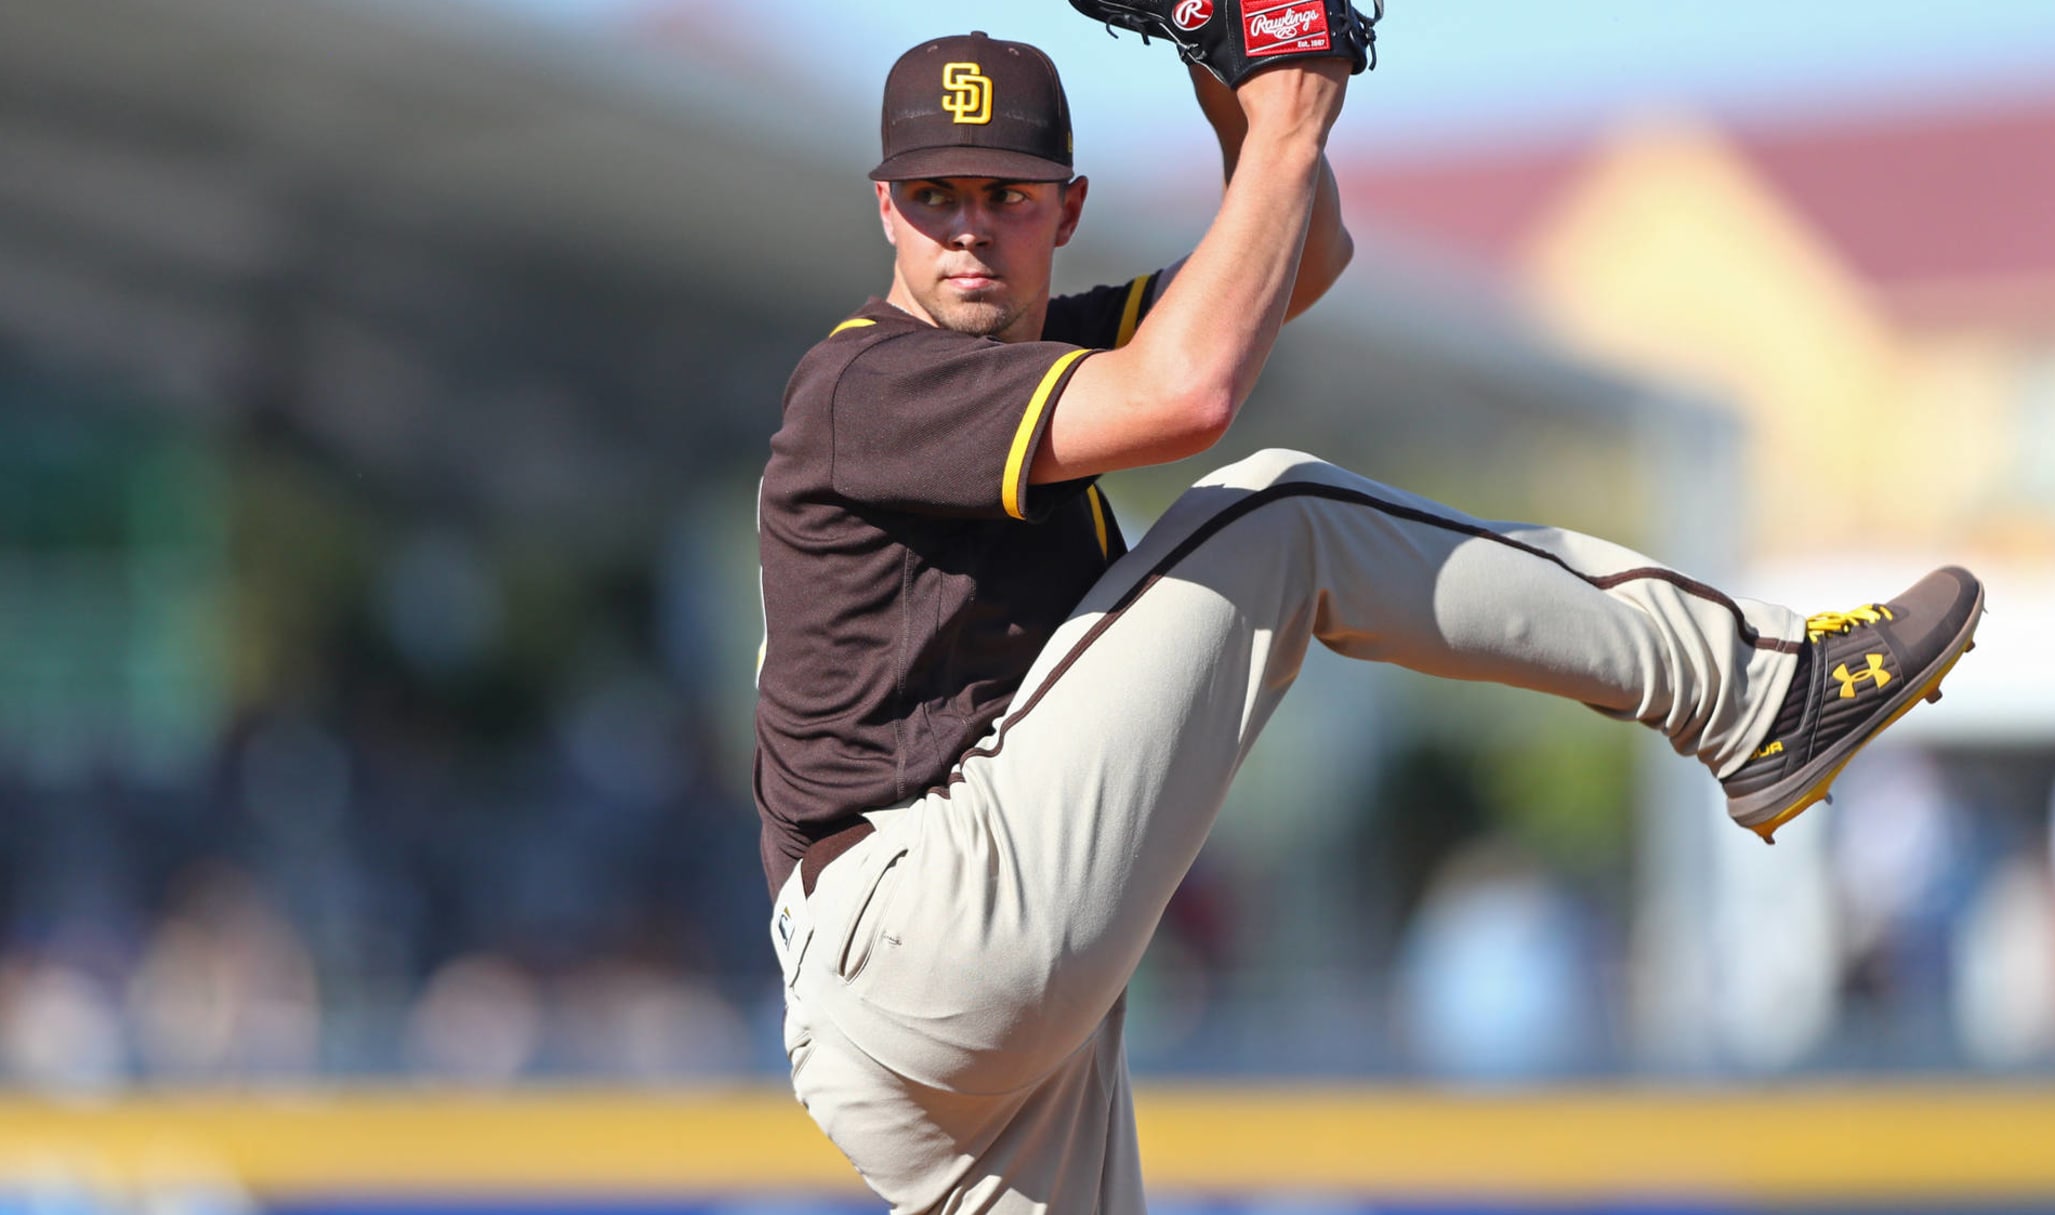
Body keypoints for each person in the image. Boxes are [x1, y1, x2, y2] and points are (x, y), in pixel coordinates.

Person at [754, 31, 1982, 1214]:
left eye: (1005, 195)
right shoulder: (866, 382)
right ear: (884, 210)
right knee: (1282, 514)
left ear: (1066, 210)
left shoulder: (1049, 349)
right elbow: (1190, 395)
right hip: (916, 917)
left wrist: (1223, 65)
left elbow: (1308, 254)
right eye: (935, 193)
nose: (970, 226)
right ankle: (1756, 693)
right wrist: (1288, 104)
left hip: (934, 1010)